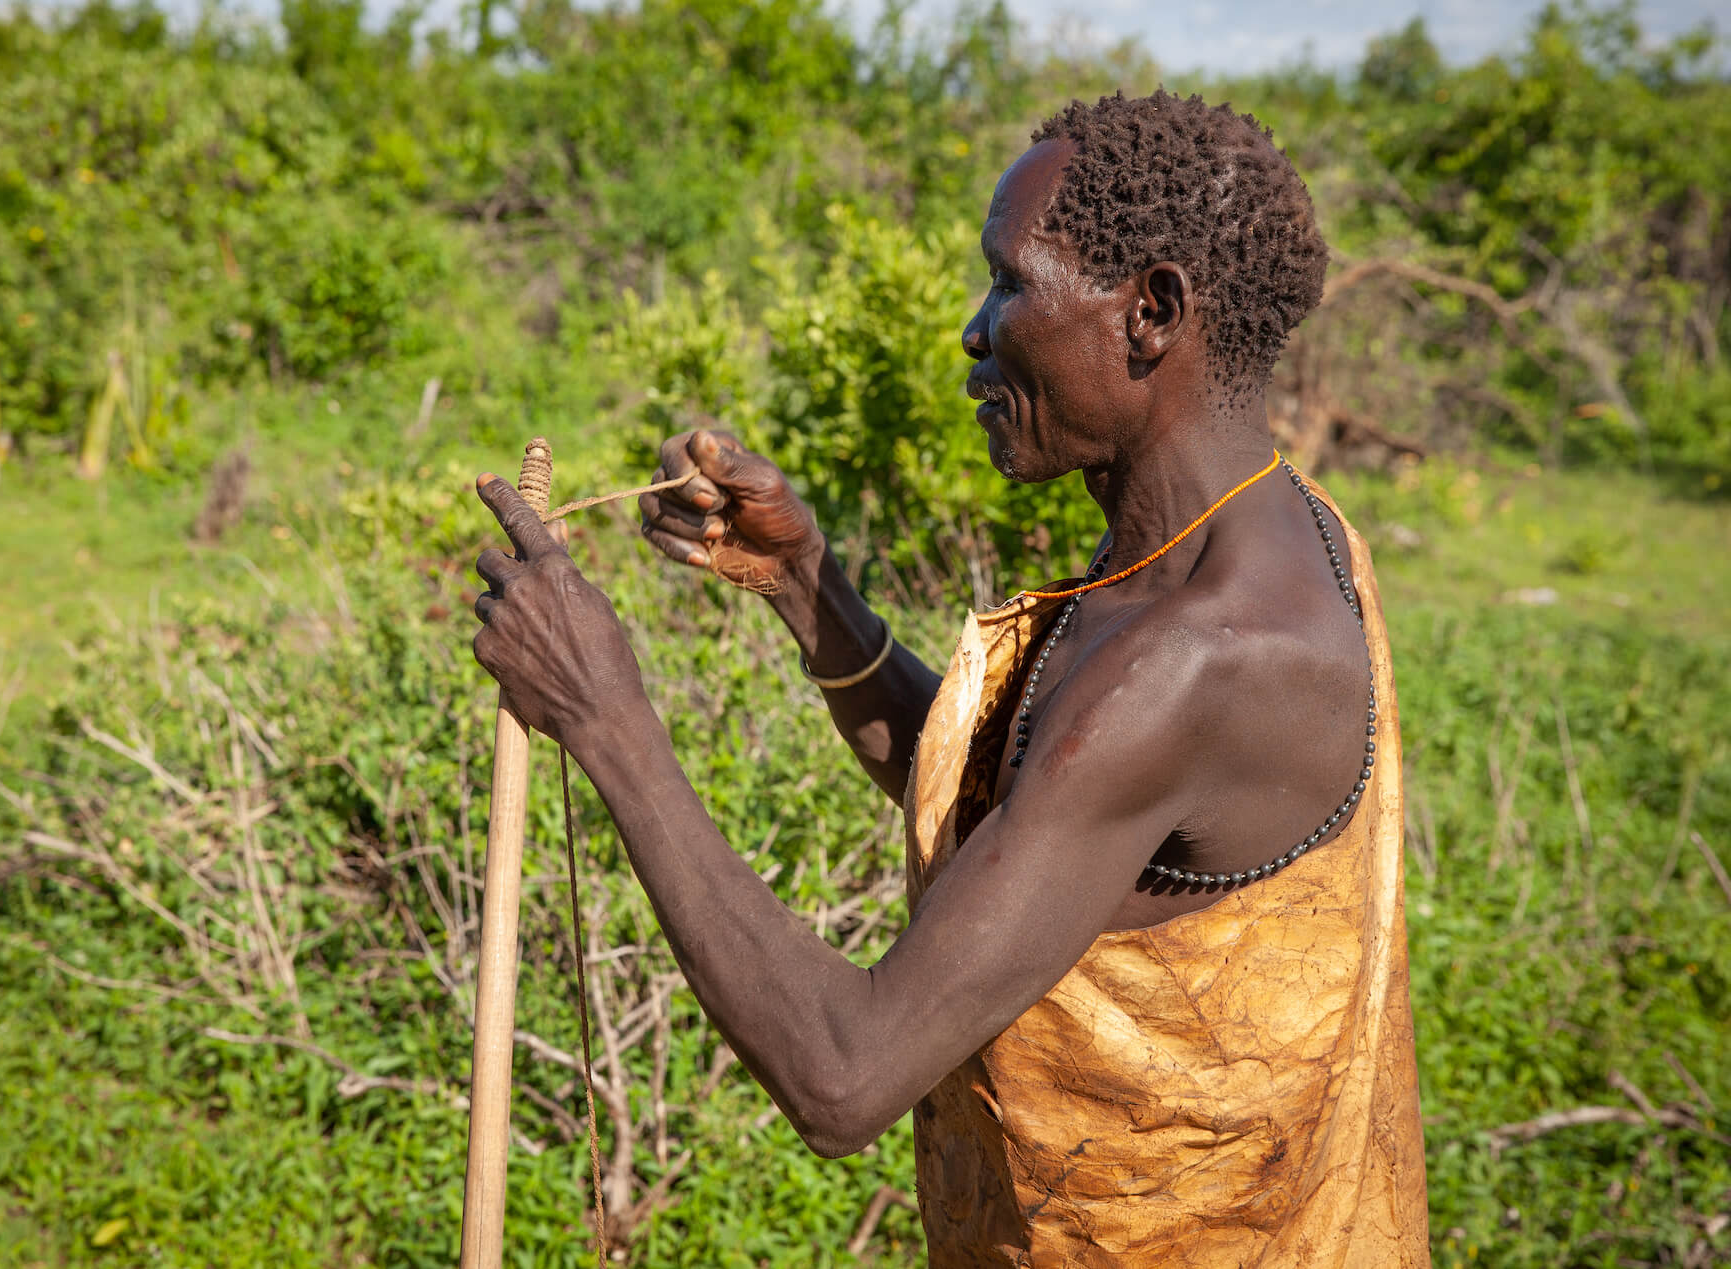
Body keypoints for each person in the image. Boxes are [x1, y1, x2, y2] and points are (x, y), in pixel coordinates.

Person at [471, 90, 1429, 1266]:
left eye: (1010, 284)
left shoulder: (1200, 658)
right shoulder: (1263, 534)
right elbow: (1042, 812)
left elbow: (844, 1075)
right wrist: (804, 586)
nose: (976, 333)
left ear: (1152, 312)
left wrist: (603, 715)